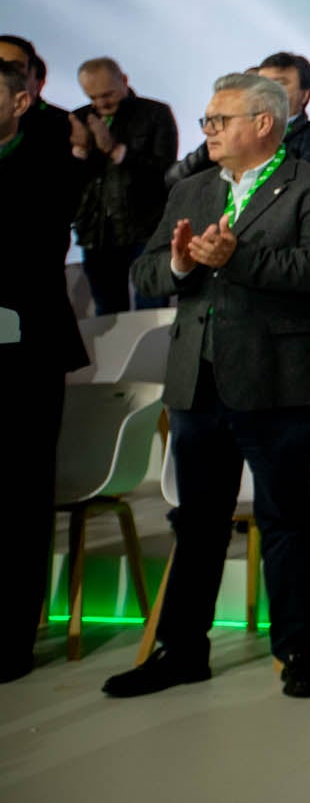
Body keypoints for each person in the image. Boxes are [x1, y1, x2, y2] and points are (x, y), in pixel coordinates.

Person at [107, 72, 310, 700]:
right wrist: (185, 263)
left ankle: (297, 650)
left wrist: (234, 258)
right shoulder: (191, 188)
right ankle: (181, 649)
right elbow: (149, 267)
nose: (208, 131)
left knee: (284, 518)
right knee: (197, 522)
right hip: (199, 377)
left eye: (220, 120)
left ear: (263, 123)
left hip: (277, 378)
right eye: (207, 121)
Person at [0, 57, 88, 682]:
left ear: (21, 102)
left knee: (20, 495)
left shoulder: (50, 160)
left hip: (22, 347)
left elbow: (35, 247)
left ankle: (12, 636)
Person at [69, 57, 179, 313]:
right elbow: (70, 181)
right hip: (96, 234)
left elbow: (166, 171)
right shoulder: (79, 118)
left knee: (151, 309)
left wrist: (117, 151)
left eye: (107, 94)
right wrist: (81, 150)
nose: (101, 103)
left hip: (145, 227)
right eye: (93, 97)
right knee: (107, 313)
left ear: (125, 81)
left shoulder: (155, 113)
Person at [164, 51, 310, 186]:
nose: (268, 92)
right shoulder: (228, 131)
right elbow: (176, 178)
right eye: (262, 84)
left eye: (279, 85)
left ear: (305, 95)